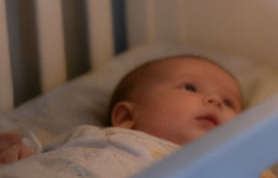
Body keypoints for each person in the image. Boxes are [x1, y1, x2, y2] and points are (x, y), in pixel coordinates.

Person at [0, 55, 251, 177]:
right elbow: (45, 150)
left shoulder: (228, 166)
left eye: (229, 102)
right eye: (190, 88)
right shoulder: (90, 135)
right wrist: (20, 152)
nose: (215, 101)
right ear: (125, 117)